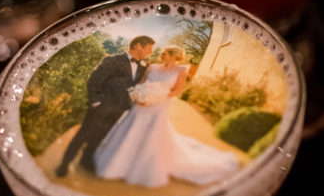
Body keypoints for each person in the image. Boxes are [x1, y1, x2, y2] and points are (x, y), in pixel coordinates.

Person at [93, 45, 240, 187]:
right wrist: (140, 95)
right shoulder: (152, 67)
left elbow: (178, 90)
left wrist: (158, 96)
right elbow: (142, 83)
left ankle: (145, 169)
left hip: (160, 105)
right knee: (132, 127)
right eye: (165, 53)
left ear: (175, 56)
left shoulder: (181, 70)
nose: (165, 56)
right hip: (141, 104)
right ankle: (117, 164)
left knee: (153, 134)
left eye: (168, 54)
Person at [54, 35, 155, 177]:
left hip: (121, 109)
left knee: (100, 136)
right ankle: (64, 164)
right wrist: (96, 102)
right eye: (149, 49)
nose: (150, 52)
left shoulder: (144, 67)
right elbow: (94, 80)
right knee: (84, 134)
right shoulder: (113, 60)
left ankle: (85, 160)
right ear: (139, 46)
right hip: (102, 106)